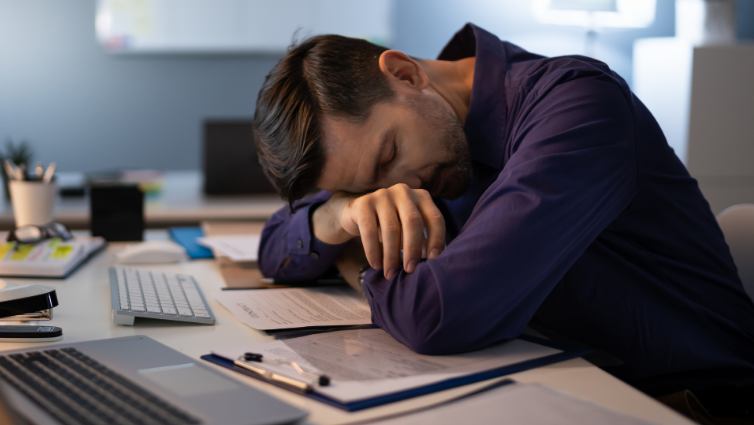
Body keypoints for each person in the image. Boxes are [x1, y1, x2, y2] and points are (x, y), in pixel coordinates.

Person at [252, 23, 754, 419]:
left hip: (687, 404)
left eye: (388, 158)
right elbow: (276, 244)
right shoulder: (386, 137)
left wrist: (357, 251)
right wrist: (341, 212)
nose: (398, 188)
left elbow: (441, 314)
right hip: (550, 378)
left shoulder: (579, 106)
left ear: (405, 74)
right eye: (366, 188)